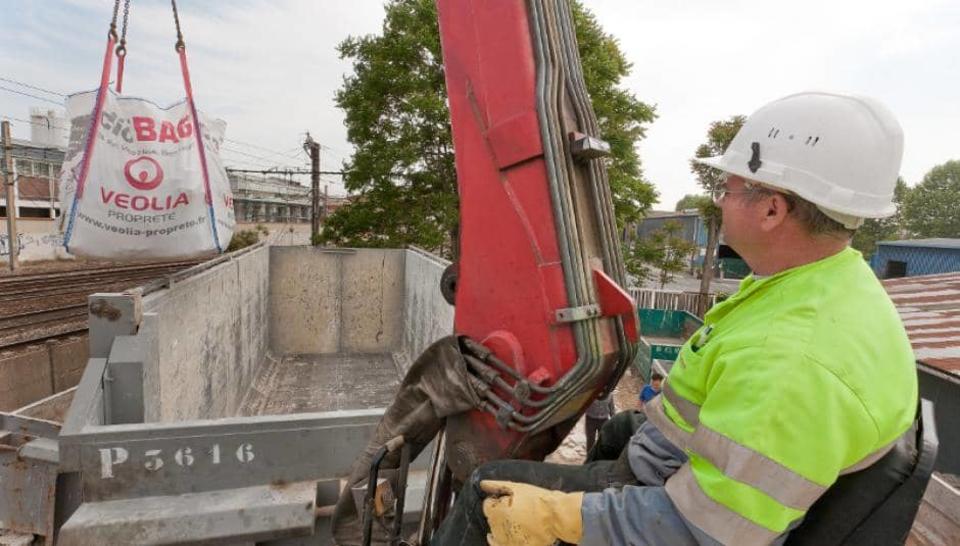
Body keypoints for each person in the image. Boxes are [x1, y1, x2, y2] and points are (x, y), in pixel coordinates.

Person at [430, 91, 918, 546]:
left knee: (486, 495)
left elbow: (703, 531)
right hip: (693, 474)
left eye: (726, 187)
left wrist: (556, 516)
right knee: (622, 430)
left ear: (772, 209)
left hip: (690, 520)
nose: (717, 199)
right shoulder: (816, 285)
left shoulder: (792, 361)